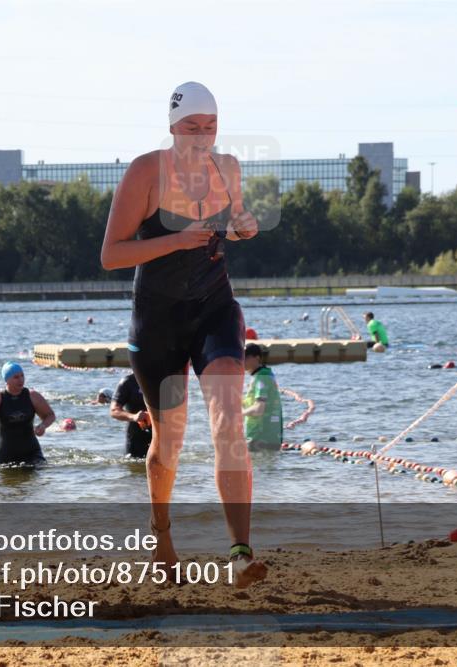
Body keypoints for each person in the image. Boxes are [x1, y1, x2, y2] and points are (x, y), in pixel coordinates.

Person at [99, 81, 265, 587]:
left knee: (228, 420)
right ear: (172, 127)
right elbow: (111, 255)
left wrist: (243, 224)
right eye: (192, 127)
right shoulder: (146, 171)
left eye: (210, 127)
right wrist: (175, 241)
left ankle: (239, 553)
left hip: (215, 309)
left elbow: (236, 218)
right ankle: (161, 533)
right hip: (158, 323)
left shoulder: (226, 168)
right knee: (168, 444)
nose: (201, 137)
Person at [0, 362, 55, 467]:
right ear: (7, 380)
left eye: (22, 376)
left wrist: (43, 426)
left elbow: (50, 415)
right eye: (16, 377)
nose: (21, 380)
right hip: (4, 456)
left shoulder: (32, 396)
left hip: (32, 454)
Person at [241, 344, 283, 452]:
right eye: (240, 357)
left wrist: (238, 414)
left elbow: (259, 409)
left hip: (260, 437)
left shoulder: (261, 378)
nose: (242, 360)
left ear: (257, 358)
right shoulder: (264, 374)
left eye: (246, 357)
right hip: (268, 437)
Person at [109, 373, 152, 458]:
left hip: (161, 437)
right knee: (136, 467)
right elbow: (114, 410)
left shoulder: (164, 379)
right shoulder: (129, 382)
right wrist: (134, 417)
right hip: (136, 439)